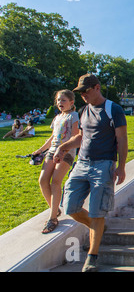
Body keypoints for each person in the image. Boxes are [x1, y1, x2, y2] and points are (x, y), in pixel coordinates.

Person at [54, 74, 128, 272]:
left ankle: (92, 257)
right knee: (70, 206)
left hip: (104, 165)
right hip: (81, 164)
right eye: (80, 92)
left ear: (97, 88)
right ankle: (98, 229)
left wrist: (121, 167)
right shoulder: (84, 110)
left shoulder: (114, 109)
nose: (83, 96)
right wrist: (63, 147)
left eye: (85, 91)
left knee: (97, 212)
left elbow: (122, 139)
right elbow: (81, 137)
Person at [33, 90, 79, 233]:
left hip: (66, 152)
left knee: (56, 182)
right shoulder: (58, 117)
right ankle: (55, 209)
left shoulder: (74, 116)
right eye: (59, 100)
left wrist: (63, 149)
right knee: (42, 180)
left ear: (71, 102)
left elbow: (75, 136)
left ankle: (52, 218)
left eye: (63, 100)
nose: (60, 103)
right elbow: (52, 137)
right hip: (52, 151)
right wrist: (40, 150)